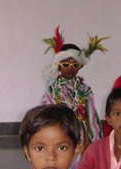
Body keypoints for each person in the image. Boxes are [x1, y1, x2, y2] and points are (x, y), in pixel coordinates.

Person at [41, 26, 106, 157]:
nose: (71, 68)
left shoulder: (84, 90)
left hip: (82, 141)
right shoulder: (52, 90)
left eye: (75, 65)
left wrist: (96, 143)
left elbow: (92, 117)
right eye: (66, 64)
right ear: (58, 65)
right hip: (59, 139)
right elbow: (45, 116)